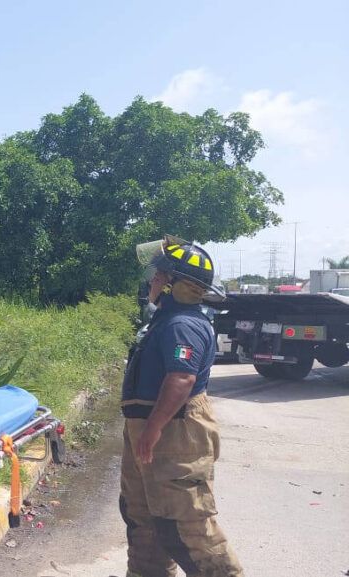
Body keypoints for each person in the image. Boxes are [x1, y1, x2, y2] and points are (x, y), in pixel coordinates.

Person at [121, 235, 242, 577]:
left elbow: (181, 379)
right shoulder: (165, 318)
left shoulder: (183, 323)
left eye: (160, 276)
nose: (153, 281)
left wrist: (153, 430)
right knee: (143, 518)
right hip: (151, 426)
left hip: (173, 431)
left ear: (177, 284)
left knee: (186, 525)